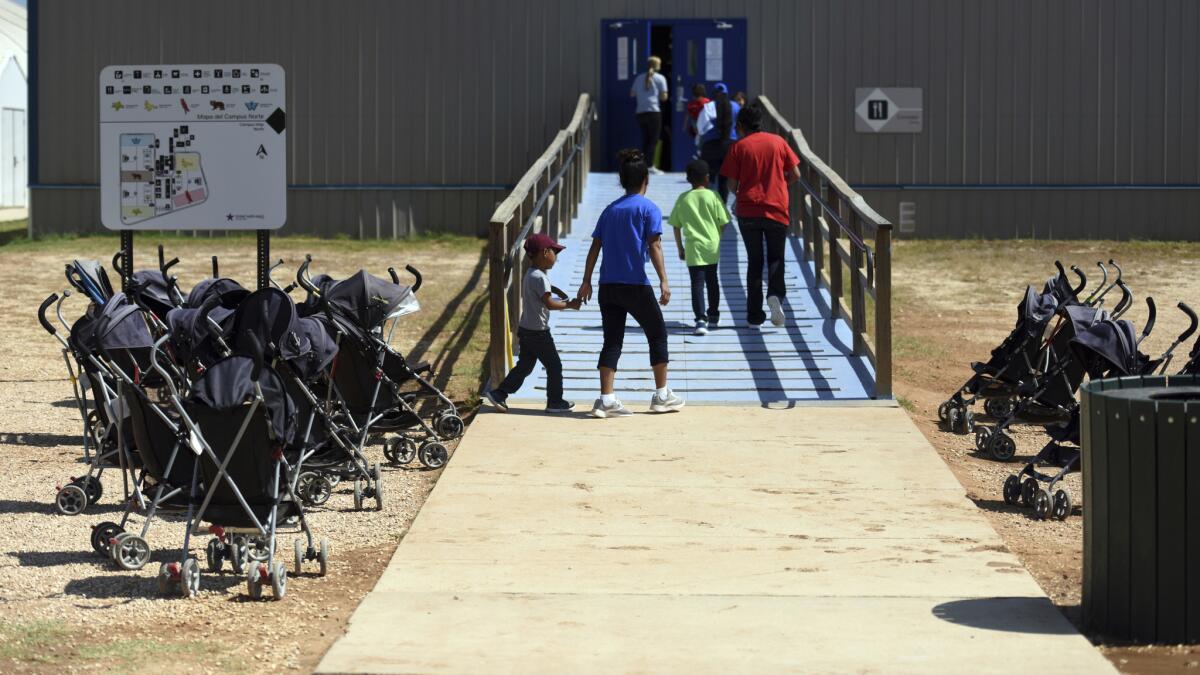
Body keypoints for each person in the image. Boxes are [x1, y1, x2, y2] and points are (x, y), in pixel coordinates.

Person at [577, 149, 684, 418]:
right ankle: (661, 396)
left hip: (607, 286)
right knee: (657, 334)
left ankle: (606, 399)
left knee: (612, 340)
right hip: (636, 284)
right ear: (646, 180)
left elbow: (595, 247)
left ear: (622, 181)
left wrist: (586, 281)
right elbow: (655, 245)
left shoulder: (610, 210)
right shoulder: (649, 209)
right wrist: (664, 281)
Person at [720, 103, 801, 328]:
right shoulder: (778, 142)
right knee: (776, 258)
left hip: (749, 210)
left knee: (754, 261)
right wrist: (779, 184)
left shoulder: (739, 147)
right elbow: (796, 173)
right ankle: (775, 295)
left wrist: (739, 194)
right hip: (776, 208)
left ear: (741, 126)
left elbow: (731, 183)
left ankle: (754, 316)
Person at [484, 233, 581, 414]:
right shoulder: (540, 278)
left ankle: (499, 393)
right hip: (538, 333)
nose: (556, 257)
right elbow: (550, 304)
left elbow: (545, 292)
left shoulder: (531, 274)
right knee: (554, 366)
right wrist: (571, 305)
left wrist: (557, 291)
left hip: (526, 329)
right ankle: (555, 402)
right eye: (554, 252)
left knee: (525, 366)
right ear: (545, 252)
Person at [668, 159, 729, 336]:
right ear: (707, 178)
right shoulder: (713, 196)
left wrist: (680, 248)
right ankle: (714, 314)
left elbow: (676, 225)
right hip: (712, 245)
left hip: (693, 247)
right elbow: (724, 221)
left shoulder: (683, 198)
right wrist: (718, 235)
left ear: (689, 180)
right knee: (712, 281)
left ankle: (700, 320)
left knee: (697, 283)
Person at [695, 83, 740, 203]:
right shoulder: (735, 106)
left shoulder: (708, 106)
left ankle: (708, 205)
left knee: (708, 177)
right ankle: (722, 206)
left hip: (710, 146)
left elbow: (700, 128)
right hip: (730, 145)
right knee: (724, 178)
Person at [630, 56, 668, 175]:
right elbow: (664, 97)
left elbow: (632, 94)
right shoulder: (660, 78)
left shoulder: (639, 78)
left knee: (645, 140)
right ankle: (650, 166)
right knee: (653, 140)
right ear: (658, 66)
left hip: (640, 112)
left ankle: (643, 165)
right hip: (654, 112)